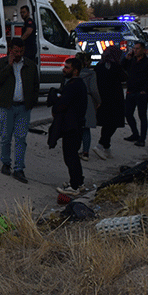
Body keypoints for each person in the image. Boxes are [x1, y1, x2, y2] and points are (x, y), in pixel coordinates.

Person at [0, 37, 38, 183]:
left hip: (23, 107)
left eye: (21, 51)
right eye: (16, 51)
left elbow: (35, 85)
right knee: (6, 136)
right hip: (6, 106)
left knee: (21, 138)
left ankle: (19, 168)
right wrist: (9, 66)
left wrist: (32, 102)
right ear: (10, 50)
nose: (18, 54)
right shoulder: (2, 63)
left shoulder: (30, 65)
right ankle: (6, 163)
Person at [50, 57, 88, 196]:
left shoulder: (74, 85)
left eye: (67, 67)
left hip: (72, 126)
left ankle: (74, 186)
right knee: (72, 155)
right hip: (75, 125)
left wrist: (56, 104)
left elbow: (63, 104)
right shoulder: (76, 84)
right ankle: (79, 181)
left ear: (75, 70)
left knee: (70, 156)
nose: (64, 70)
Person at [92, 45, 126, 159]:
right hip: (115, 99)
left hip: (102, 99)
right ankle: (101, 144)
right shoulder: (115, 66)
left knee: (107, 123)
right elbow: (124, 77)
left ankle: (106, 147)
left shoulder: (99, 66)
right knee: (113, 123)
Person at [122, 42, 148, 146]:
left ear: (143, 50)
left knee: (142, 116)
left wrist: (145, 90)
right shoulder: (132, 61)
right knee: (128, 114)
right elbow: (123, 67)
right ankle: (135, 133)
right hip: (131, 91)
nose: (135, 50)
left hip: (141, 93)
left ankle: (142, 139)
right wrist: (126, 58)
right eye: (134, 49)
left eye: (137, 49)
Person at [77, 52, 100, 161]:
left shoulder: (74, 73)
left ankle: (75, 149)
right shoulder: (91, 74)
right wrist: (99, 101)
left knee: (76, 128)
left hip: (76, 100)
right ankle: (85, 152)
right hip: (88, 101)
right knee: (86, 129)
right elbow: (94, 90)